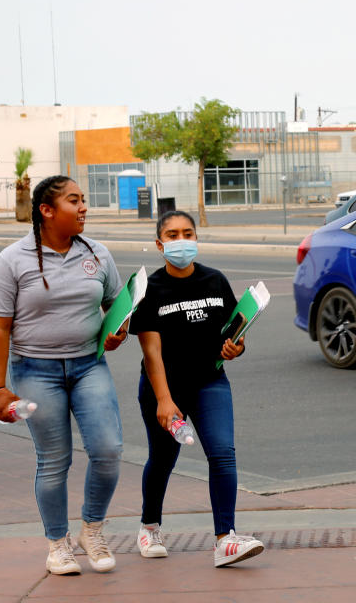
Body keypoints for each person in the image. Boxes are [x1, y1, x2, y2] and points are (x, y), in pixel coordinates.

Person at [0, 175, 128, 576]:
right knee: (54, 461)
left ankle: (92, 530)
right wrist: (0, 388)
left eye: (83, 200)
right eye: (73, 201)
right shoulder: (12, 260)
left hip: (89, 366)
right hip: (35, 370)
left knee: (108, 450)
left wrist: (118, 332)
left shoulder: (98, 254)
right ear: (47, 211)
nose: (83, 207)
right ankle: (58, 544)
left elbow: (117, 307)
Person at [129, 210, 264, 568]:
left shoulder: (215, 281)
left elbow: (235, 332)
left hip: (210, 382)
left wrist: (237, 347)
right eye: (172, 235)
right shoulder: (151, 289)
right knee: (163, 458)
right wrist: (163, 399)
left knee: (222, 453)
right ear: (160, 244)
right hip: (163, 387)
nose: (181, 241)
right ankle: (149, 526)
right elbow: (151, 351)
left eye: (188, 233)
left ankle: (226, 539)